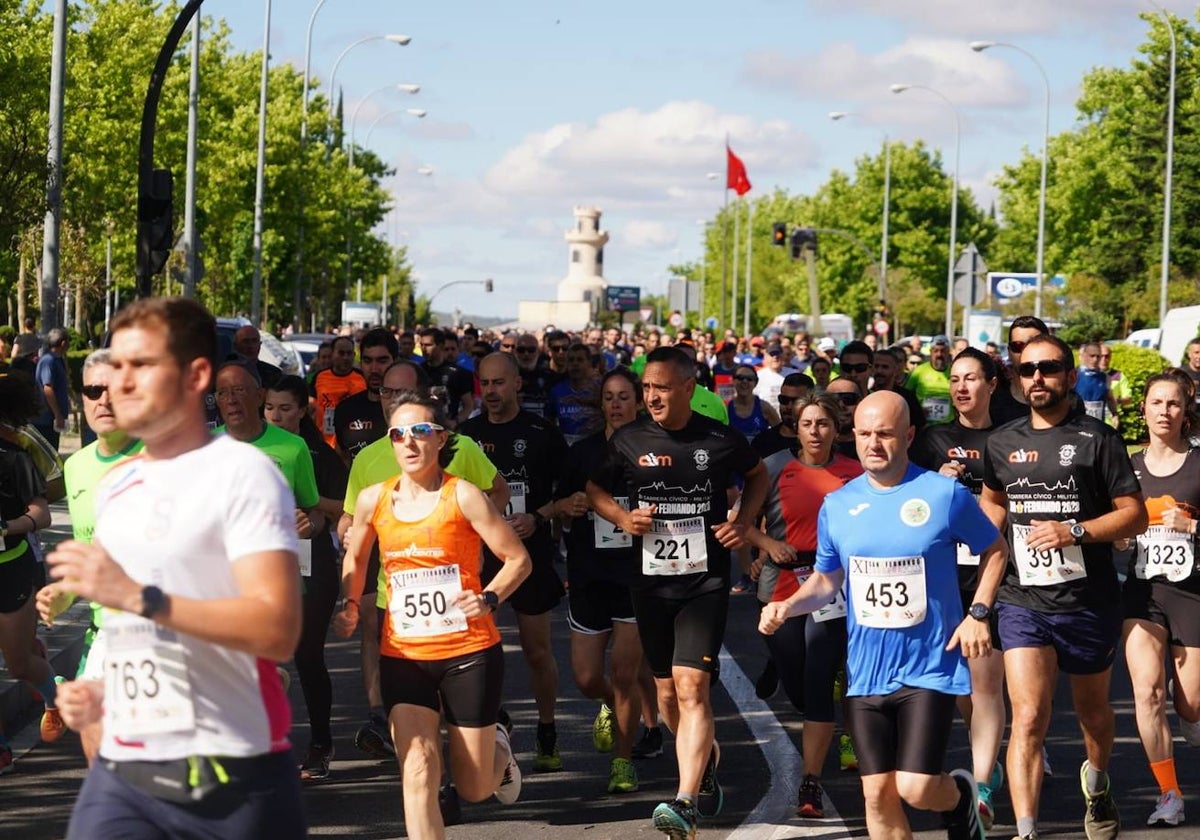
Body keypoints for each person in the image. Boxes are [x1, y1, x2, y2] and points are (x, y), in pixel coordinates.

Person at [41, 297, 305, 838]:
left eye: (142, 365)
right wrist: (102, 691)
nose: (121, 382)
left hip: (229, 766)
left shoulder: (242, 474)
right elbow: (136, 633)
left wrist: (140, 597)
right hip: (125, 768)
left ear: (196, 375)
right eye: (116, 366)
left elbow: (277, 630)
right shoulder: (118, 488)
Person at [760, 390, 1005, 840]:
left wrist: (978, 612)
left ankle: (960, 799)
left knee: (914, 787)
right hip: (866, 671)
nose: (873, 443)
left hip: (929, 667)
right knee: (876, 795)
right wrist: (788, 605)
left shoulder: (942, 493)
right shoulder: (838, 504)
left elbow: (994, 550)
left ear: (909, 436)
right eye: (865, 433)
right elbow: (827, 580)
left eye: (886, 434)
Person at [587, 346, 768, 839]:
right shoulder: (628, 439)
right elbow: (594, 489)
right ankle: (704, 756)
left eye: (662, 388)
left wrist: (745, 520)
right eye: (648, 388)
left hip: (704, 581)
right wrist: (623, 517)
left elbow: (757, 475)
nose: (652, 397)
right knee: (666, 694)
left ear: (689, 388)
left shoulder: (719, 438)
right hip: (649, 581)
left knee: (692, 689)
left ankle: (685, 801)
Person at [334, 391, 530, 839]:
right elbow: (355, 558)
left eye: (420, 431)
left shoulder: (463, 496)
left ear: (441, 438)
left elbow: (518, 560)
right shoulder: (372, 499)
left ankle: (498, 746)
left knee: (475, 786)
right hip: (403, 654)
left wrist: (491, 598)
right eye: (398, 433)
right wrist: (349, 602)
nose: (408, 442)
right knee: (419, 766)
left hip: (469, 653)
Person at [981, 334, 1148, 840]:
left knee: (1094, 714)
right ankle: (1027, 829)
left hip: (1087, 600)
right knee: (1028, 715)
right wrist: (974, 547)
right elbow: (993, 504)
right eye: (1026, 370)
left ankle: (1096, 782)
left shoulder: (1100, 440)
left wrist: (1073, 530)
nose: (1036, 378)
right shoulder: (1002, 441)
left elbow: (1135, 516)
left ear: (1070, 377)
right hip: (1021, 599)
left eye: (1048, 368)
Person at [338, 360, 508, 775]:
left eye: (401, 394)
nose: (392, 402)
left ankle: (488, 753)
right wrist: (349, 591)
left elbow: (497, 492)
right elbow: (351, 521)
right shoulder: (369, 459)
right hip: (394, 603)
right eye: (385, 394)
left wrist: (476, 535)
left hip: (462, 612)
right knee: (417, 753)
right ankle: (434, 782)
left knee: (473, 770)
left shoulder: (461, 450)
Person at [747, 393, 862, 818]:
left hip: (832, 586)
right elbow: (741, 523)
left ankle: (810, 781)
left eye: (824, 424)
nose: (816, 432)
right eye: (808, 424)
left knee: (817, 682)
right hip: (781, 585)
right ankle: (782, 667)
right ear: (796, 427)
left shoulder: (854, 471)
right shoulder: (774, 467)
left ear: (836, 429)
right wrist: (767, 543)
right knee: (797, 686)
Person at [910, 348, 1008, 828]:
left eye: (971, 378)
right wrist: (933, 484)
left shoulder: (1009, 438)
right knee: (963, 689)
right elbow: (902, 498)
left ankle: (983, 784)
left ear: (992, 383)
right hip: (939, 578)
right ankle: (984, 756)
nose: (961, 387)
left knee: (986, 683)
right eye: (954, 379)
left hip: (991, 573)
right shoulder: (932, 441)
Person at [460, 354, 569, 772]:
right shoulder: (465, 436)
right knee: (479, 648)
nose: (490, 392)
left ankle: (546, 725)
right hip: (478, 557)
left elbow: (570, 489)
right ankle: (493, 722)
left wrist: (539, 516)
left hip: (529, 554)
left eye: (498, 383)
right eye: (484, 384)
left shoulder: (542, 432)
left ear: (517, 384)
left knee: (536, 649)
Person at [558, 367, 651, 793]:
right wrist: (570, 503)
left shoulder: (654, 451)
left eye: (623, 397)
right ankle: (610, 707)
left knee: (626, 672)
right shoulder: (582, 453)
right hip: (589, 573)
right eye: (609, 398)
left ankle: (623, 761)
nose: (616, 404)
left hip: (635, 574)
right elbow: (555, 504)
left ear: (639, 402)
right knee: (587, 678)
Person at [50, 351, 144, 764]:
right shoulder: (77, 467)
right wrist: (62, 593)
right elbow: (87, 551)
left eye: (115, 389)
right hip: (106, 632)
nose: (103, 400)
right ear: (82, 399)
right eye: (93, 390)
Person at [1119, 370, 1200, 827]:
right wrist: (1117, 540)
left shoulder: (1199, 463)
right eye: (1156, 403)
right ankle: (1169, 794)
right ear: (1144, 409)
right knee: (1146, 694)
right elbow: (1113, 521)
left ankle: (1189, 709)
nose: (1164, 412)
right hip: (1143, 593)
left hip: (1192, 592)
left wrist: (1193, 527)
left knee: (1190, 704)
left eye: (1173, 404)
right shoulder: (1128, 466)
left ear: (1185, 410)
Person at [265, 375, 349, 782]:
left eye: (285, 408)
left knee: (307, 653)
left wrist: (308, 507)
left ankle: (320, 744)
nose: (277, 416)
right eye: (270, 408)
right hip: (260, 563)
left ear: (303, 410)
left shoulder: (318, 452)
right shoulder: (248, 448)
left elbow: (342, 507)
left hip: (310, 561)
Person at [0, 371, 60, 773]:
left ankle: (56, 698)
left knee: (19, 664)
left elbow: (43, 511)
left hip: (12, 567)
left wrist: (8, 527)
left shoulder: (14, 454)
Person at [333, 328, 398, 462]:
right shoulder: (345, 410)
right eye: (367, 361)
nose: (374, 369)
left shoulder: (411, 410)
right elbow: (343, 459)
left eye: (382, 361)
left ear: (395, 361)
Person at [312, 335, 366, 447]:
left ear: (354, 355)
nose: (345, 357)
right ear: (332, 355)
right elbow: (311, 407)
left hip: (354, 441)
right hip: (325, 442)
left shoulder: (362, 377)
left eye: (349, 353)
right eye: (341, 353)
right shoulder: (320, 377)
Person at [419, 327, 476, 427]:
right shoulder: (417, 371)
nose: (424, 349)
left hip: (449, 427)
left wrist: (455, 422)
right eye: (421, 345)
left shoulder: (458, 373)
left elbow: (468, 405)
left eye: (428, 345)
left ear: (440, 346)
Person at [548, 342, 603, 445]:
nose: (575, 364)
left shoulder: (600, 389)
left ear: (589, 362)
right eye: (571, 360)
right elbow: (550, 420)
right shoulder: (557, 391)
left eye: (580, 360)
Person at [33, 327, 70, 451]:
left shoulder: (57, 360)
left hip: (50, 420)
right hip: (45, 420)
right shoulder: (48, 361)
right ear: (63, 343)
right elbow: (48, 388)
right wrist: (57, 415)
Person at [904, 334, 954, 426]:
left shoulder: (954, 372)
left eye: (943, 351)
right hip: (923, 425)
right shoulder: (919, 371)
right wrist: (917, 410)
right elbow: (906, 395)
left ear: (948, 352)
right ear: (930, 352)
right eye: (936, 351)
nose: (939, 354)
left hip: (948, 426)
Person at [726, 364, 779, 444]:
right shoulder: (726, 408)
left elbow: (780, 434)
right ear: (733, 380)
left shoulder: (765, 407)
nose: (745, 381)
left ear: (756, 383)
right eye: (740, 378)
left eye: (750, 379)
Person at [1075, 342, 1119, 427]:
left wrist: (1114, 414)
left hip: (1096, 426)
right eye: (1091, 356)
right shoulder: (1074, 375)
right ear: (1084, 356)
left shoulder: (1105, 377)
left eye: (1098, 356)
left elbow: (1110, 398)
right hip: (1077, 425)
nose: (1095, 360)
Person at [233, 325, 282, 389]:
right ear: (236, 346)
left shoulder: (273, 374)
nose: (251, 346)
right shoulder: (226, 373)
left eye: (254, 341)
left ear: (260, 345)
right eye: (246, 341)